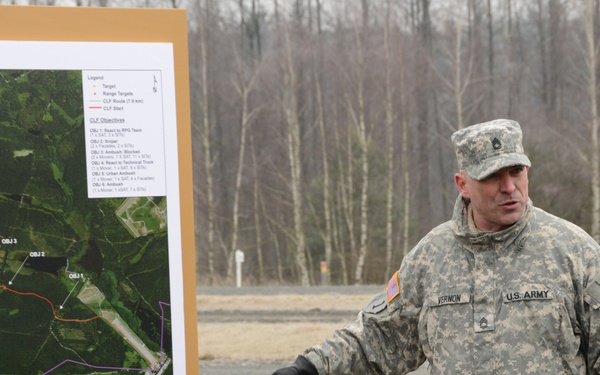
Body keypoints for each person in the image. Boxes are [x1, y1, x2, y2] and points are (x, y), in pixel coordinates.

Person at [273, 119, 600, 374]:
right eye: (492, 176)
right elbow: (379, 340)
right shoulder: (431, 257)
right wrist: (310, 368)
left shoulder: (575, 253)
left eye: (516, 171)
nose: (509, 187)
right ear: (463, 185)